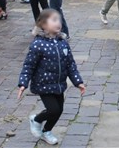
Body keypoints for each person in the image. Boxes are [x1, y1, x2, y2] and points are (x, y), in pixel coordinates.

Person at [17, 9, 85, 145]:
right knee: (53, 109)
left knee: (59, 110)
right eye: (54, 20)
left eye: (59, 19)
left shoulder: (63, 42)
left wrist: (78, 82)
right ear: (43, 25)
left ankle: (46, 131)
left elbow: (70, 64)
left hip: (59, 84)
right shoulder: (38, 44)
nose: (58, 23)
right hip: (43, 84)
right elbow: (28, 65)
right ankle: (36, 120)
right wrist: (23, 83)